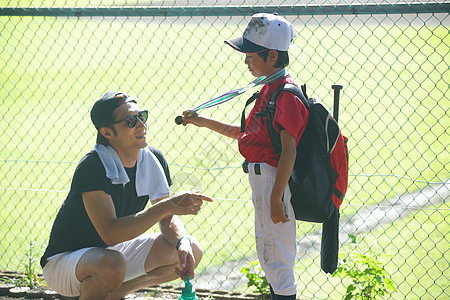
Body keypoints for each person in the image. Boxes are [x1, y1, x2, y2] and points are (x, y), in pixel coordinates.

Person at [181, 13, 307, 299]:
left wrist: (275, 198)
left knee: (278, 260)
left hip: (274, 181)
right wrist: (203, 121)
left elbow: (290, 150)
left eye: (250, 55)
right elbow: (247, 135)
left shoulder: (285, 94)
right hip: (263, 180)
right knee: (269, 256)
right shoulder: (269, 90)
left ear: (272, 56)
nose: (246, 61)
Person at [40, 91, 213, 300]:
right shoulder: (93, 166)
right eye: (131, 120)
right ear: (107, 132)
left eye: (143, 116)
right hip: (64, 262)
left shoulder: (153, 158)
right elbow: (110, 233)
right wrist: (167, 206)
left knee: (190, 249)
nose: (141, 125)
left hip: (111, 253)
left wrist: (181, 241)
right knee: (111, 264)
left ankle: (116, 295)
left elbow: (167, 219)